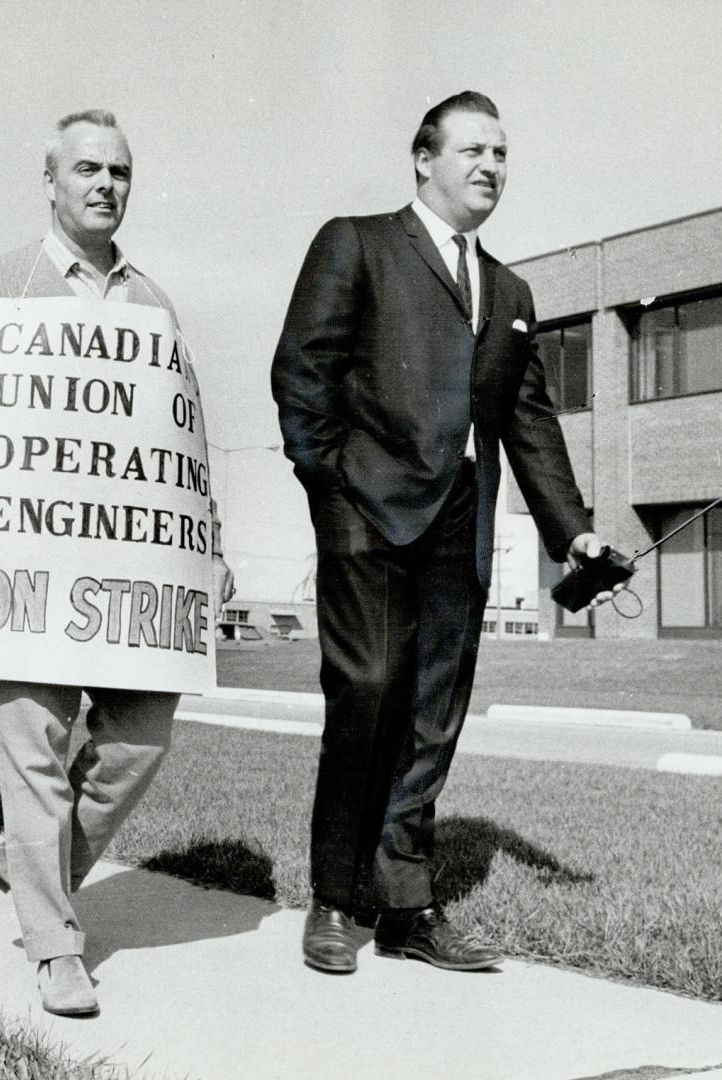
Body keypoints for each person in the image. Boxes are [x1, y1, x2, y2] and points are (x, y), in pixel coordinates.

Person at [271, 92, 612, 975]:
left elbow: (527, 421)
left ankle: (405, 906)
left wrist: (569, 533)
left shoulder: (510, 291)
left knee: (432, 715)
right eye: (471, 150)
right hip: (365, 514)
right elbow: (301, 375)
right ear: (422, 159)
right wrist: (331, 491)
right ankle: (336, 901)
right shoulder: (355, 243)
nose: (490, 166)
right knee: (368, 691)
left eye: (502, 152)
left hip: (460, 524)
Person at [0, 110, 234, 1017]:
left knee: (138, 742)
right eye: (86, 168)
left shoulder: (152, 303)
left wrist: (205, 547)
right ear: (49, 179)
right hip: (23, 565)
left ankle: (28, 866)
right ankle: (53, 943)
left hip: (131, 582)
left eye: (119, 172)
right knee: (35, 752)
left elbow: (184, 441)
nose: (103, 184)